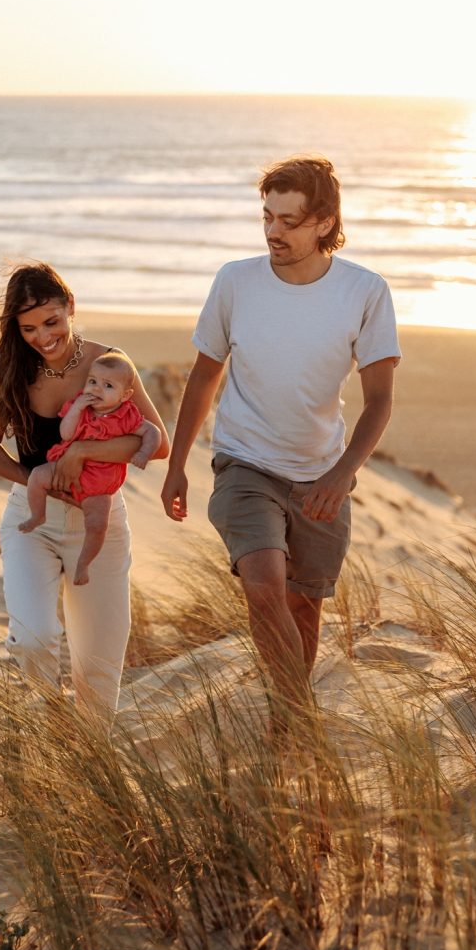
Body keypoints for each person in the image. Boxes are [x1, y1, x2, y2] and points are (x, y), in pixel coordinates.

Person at [161, 155, 400, 729]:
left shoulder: (364, 292)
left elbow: (381, 401)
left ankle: (288, 722)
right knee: (265, 586)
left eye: (289, 221)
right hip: (244, 462)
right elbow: (203, 376)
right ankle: (301, 713)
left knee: (303, 607)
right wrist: (177, 465)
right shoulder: (235, 281)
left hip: (320, 474)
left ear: (324, 223)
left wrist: (340, 474)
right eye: (267, 216)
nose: (274, 232)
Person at [0, 262, 169, 719]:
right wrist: (37, 480)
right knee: (35, 636)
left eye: (51, 321)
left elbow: (156, 442)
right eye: (28, 328)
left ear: (71, 308)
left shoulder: (110, 364)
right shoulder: (10, 371)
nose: (43, 336)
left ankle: (89, 764)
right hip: (31, 517)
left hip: (99, 523)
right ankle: (46, 718)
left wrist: (81, 451)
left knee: (98, 671)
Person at [19, 351, 162, 586]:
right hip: (65, 469)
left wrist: (144, 453)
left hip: (99, 484)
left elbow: (153, 432)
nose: (96, 389)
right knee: (37, 475)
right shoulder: (80, 408)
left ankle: (83, 565)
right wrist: (76, 408)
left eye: (108, 386)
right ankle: (38, 514)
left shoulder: (126, 416)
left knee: (97, 525)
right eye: (93, 381)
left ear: (125, 396)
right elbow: (65, 434)